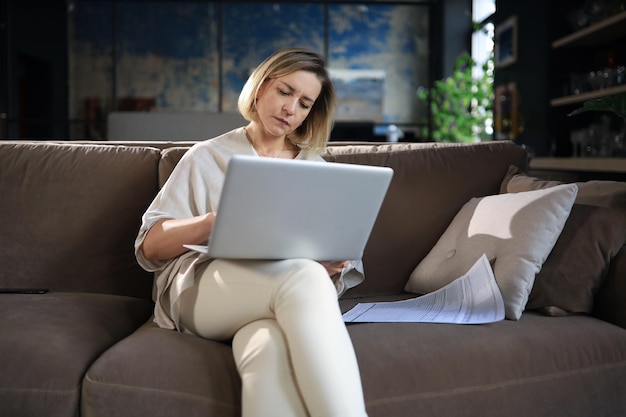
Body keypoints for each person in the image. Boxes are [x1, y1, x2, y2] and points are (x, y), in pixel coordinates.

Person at [135, 47, 369, 417]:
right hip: (203, 289)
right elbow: (149, 247)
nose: (292, 109)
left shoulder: (317, 168)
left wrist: (333, 262)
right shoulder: (206, 156)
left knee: (267, 347)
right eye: (285, 92)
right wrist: (214, 222)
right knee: (304, 276)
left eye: (305, 103)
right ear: (260, 89)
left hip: (278, 295)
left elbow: (340, 257)